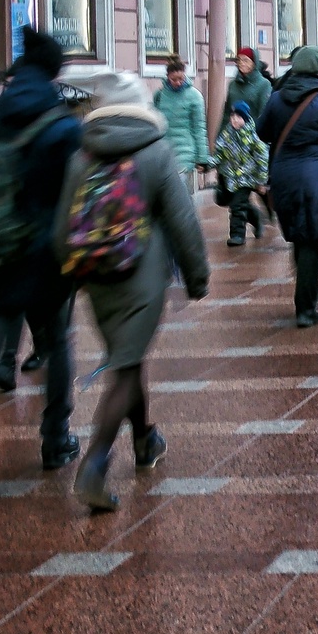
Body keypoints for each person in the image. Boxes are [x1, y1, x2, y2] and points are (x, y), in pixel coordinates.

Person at [54, 71, 209, 511]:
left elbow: (61, 230)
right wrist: (197, 278)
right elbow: (183, 222)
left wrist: (75, 276)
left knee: (127, 357)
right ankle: (94, 465)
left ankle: (145, 441)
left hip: (97, 281)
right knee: (125, 367)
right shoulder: (156, 153)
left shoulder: (80, 157)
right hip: (142, 279)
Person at [0, 26, 83, 468]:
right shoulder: (62, 123)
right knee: (57, 343)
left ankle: (3, 362)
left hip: (0, 246)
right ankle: (56, 439)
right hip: (47, 254)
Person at [257, 46, 318, 328]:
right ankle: (306, 308)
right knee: (311, 241)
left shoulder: (276, 98)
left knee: (301, 235)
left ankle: (306, 289)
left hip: (283, 176)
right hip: (316, 179)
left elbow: (262, 132)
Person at [212, 100, 269, 247]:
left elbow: (262, 158)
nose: (234, 120)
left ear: (245, 118)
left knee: (237, 207)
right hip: (229, 176)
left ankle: (237, 235)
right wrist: (208, 164)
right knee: (227, 200)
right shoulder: (226, 134)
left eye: (238, 117)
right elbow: (219, 153)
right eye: (232, 116)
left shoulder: (252, 136)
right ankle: (255, 216)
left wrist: (261, 181)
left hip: (245, 178)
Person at [152, 55, 211, 190]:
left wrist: (202, 158)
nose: (178, 82)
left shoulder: (194, 96)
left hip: (186, 154)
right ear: (167, 77)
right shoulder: (159, 95)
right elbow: (155, 125)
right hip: (165, 152)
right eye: (174, 79)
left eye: (181, 78)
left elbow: (199, 128)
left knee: (182, 195)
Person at [220, 47, 271, 134]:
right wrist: (221, 134)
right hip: (233, 136)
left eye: (245, 60)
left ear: (254, 63)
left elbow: (264, 114)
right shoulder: (233, 84)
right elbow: (227, 112)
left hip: (252, 136)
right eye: (239, 60)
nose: (241, 63)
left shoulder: (263, 84)